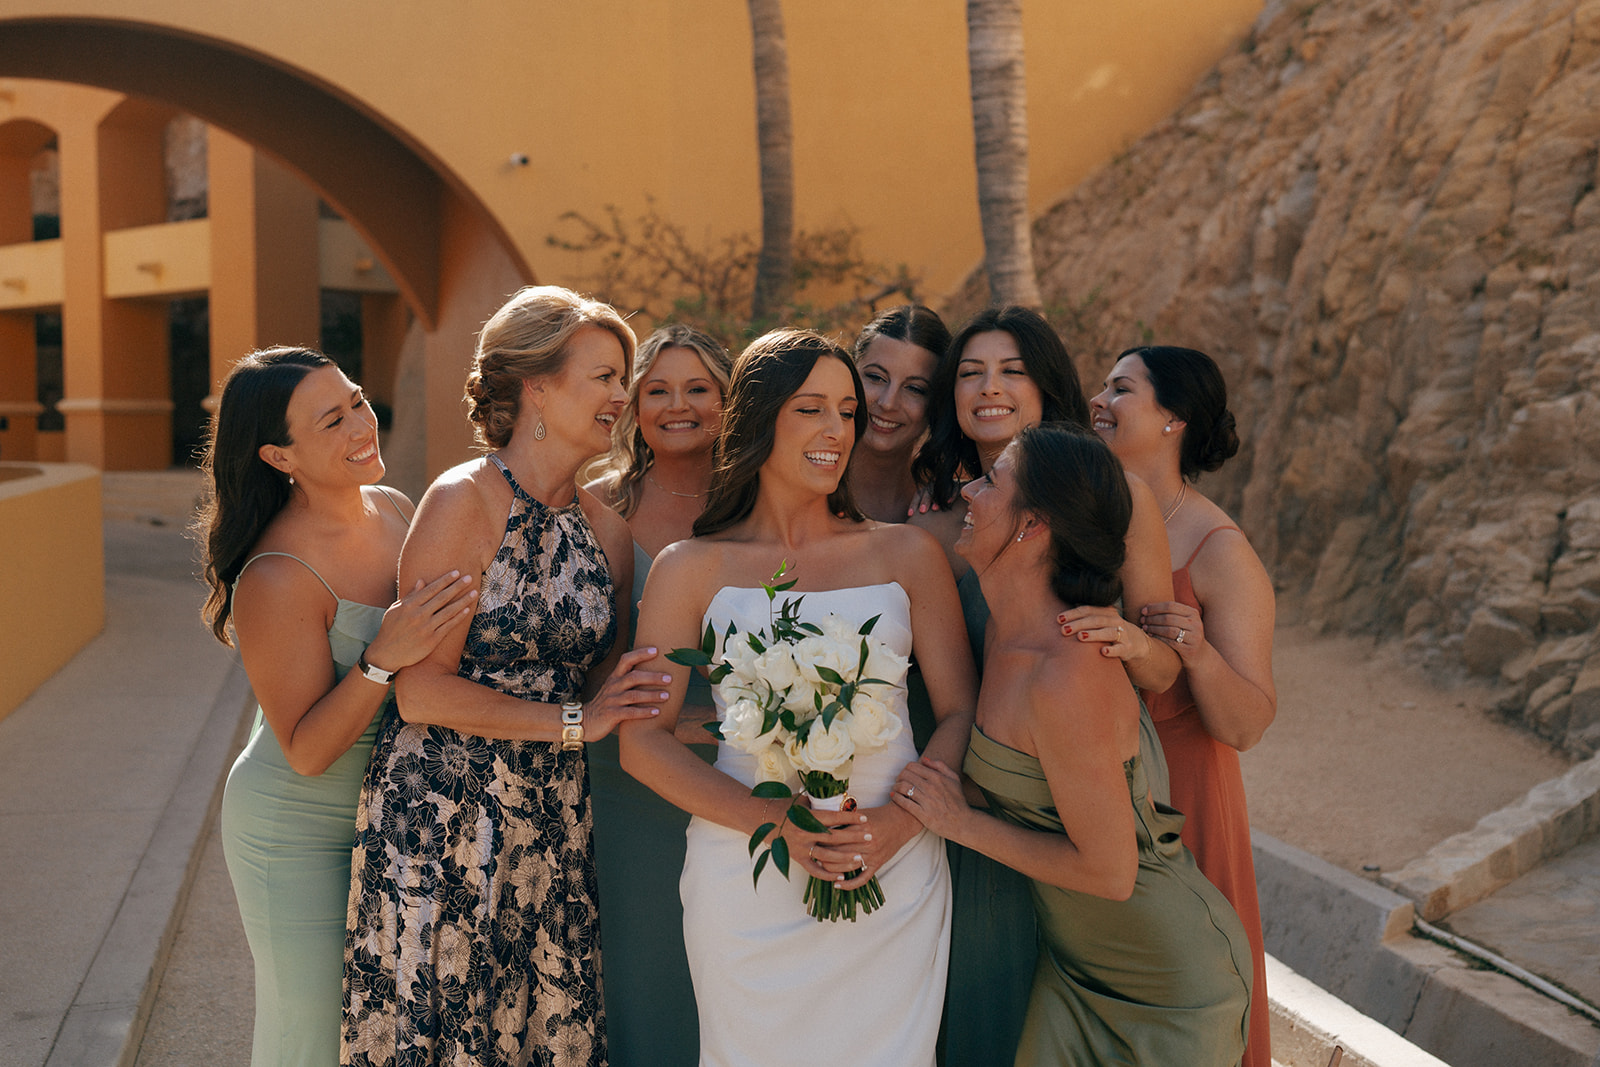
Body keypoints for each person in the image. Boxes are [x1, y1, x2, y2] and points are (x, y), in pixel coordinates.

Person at [618, 329, 978, 1067]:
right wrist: (775, 822)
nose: (836, 430)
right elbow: (642, 740)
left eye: (846, 411)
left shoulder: (906, 554)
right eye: (810, 408)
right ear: (759, 419)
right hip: (746, 871)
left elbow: (959, 712)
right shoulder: (691, 567)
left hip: (892, 864)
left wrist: (898, 824)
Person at [342, 287, 666, 1067]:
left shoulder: (608, 532)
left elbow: (602, 683)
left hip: (551, 819)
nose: (622, 397)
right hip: (443, 814)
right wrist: (573, 723)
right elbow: (419, 689)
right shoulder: (464, 501)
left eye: (624, 377)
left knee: (538, 1030)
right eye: (603, 376)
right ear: (537, 386)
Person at [894, 423, 1252, 1066]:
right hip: (1078, 970)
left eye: (991, 481)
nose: (969, 493)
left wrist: (959, 823)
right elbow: (1021, 779)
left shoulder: (1067, 671)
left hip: (1165, 986)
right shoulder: (1010, 633)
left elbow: (1110, 873)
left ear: (1034, 525)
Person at [907, 305, 1180, 1064]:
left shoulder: (1114, 491)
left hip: (1080, 768)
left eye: (1011, 370)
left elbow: (1164, 668)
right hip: (978, 781)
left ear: (1046, 384)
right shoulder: (943, 517)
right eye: (969, 373)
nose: (988, 388)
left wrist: (1129, 643)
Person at [200, 347, 477, 1067]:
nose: (363, 424)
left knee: (389, 1033)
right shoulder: (276, 574)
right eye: (333, 419)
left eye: (357, 400)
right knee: (314, 1034)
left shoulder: (396, 509)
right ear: (278, 454)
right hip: (296, 830)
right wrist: (382, 655)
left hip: (392, 816)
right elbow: (305, 749)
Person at [1090, 344, 1277, 1067]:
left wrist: (1196, 652)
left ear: (1174, 418)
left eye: (1122, 388)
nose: (1101, 399)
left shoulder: (1219, 548)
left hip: (1187, 796)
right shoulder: (1088, 512)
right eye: (1103, 385)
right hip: (1097, 788)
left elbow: (1249, 721)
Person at [582, 323, 733, 1065]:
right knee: (645, 981)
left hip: (742, 776)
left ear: (729, 401)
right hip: (625, 787)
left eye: (699, 389)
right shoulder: (594, 508)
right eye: (658, 390)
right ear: (633, 404)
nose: (678, 405)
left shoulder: (759, 506)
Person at [848, 305, 948, 524]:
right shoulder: (801, 485)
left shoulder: (951, 505)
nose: (888, 403)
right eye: (876, 377)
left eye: (915, 389)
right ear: (849, 373)